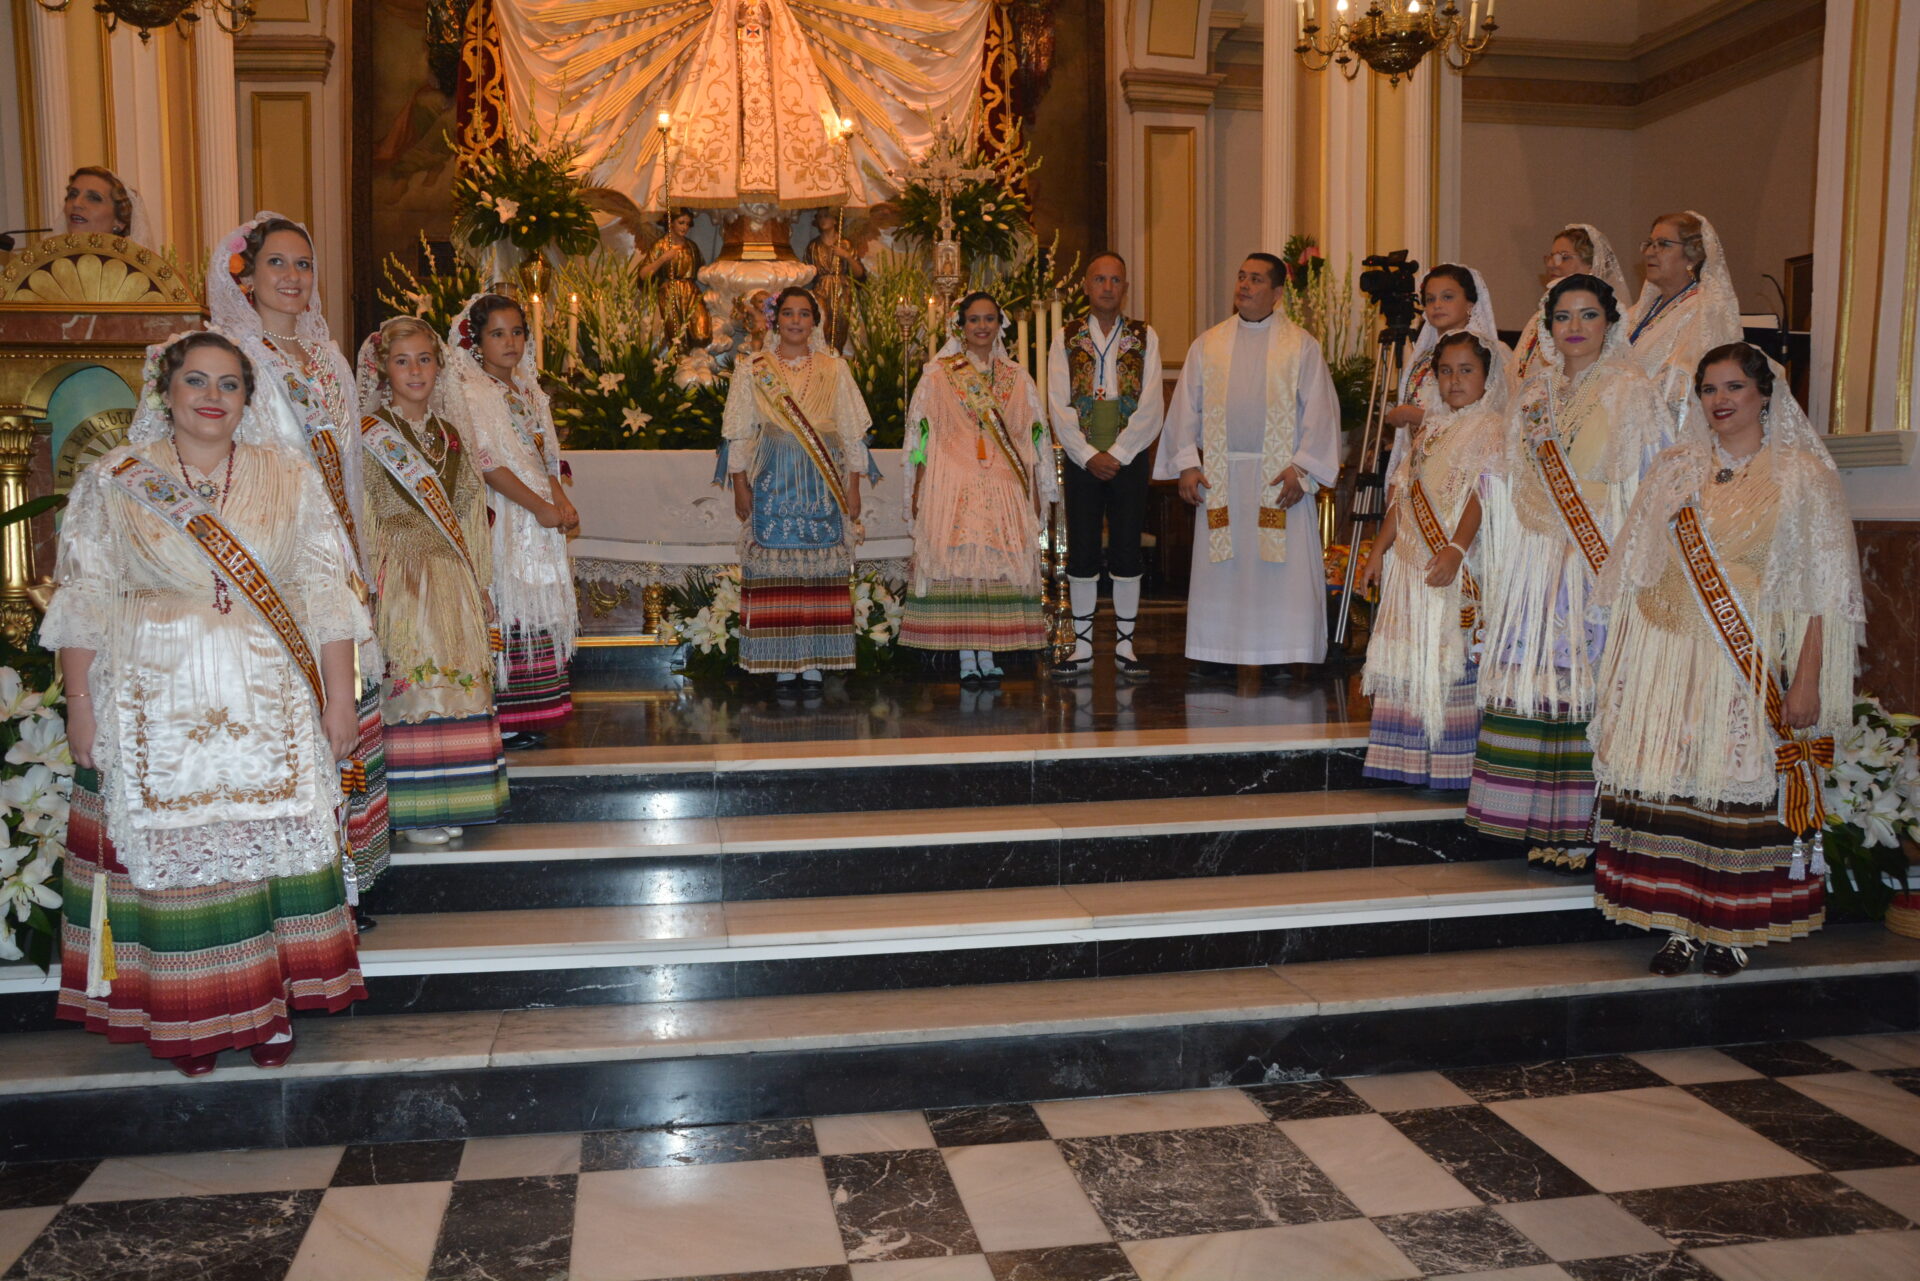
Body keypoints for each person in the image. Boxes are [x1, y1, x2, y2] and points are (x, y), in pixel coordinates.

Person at [45, 330, 369, 1076]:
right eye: (195, 380)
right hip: (150, 699)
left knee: (266, 860)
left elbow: (326, 590)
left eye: (229, 384)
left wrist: (340, 698)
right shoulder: (114, 479)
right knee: (176, 866)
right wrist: (80, 703)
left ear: (249, 399)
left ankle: (267, 1012)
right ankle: (188, 1017)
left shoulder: (287, 475)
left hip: (269, 696)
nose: (212, 397)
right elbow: (85, 595)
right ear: (165, 390)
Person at [1590, 343, 1861, 977]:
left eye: (1734, 386)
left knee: (1734, 787)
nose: (1720, 400)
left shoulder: (1804, 476)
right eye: (1709, 389)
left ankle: (1730, 927)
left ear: (1766, 394)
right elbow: (1635, 565)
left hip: (1749, 661)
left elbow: (1825, 591)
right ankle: (1676, 924)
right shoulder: (1675, 469)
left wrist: (1808, 677)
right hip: (1670, 657)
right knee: (1675, 784)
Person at [209, 212, 389, 908]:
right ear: (246, 276)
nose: (292, 277)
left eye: (303, 264)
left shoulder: (328, 359)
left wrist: (358, 559)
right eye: (276, 264)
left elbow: (351, 473)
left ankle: (348, 880)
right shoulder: (229, 354)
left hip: (333, 558)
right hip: (270, 561)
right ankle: (298, 886)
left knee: (343, 712)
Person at [1468, 274, 1668, 874]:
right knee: (1534, 679)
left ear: (1611, 322)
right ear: (1548, 326)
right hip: (1534, 558)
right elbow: (1508, 475)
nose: (1574, 327)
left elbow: (1654, 482)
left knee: (1588, 680)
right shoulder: (1534, 394)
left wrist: (1628, 563)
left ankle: (1586, 829)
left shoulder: (1631, 391)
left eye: (1588, 315)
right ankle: (1528, 820)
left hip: (1596, 556)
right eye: (1562, 317)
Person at [354, 316, 508, 845]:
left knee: (459, 681)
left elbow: (469, 513)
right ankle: (416, 808)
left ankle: (456, 796)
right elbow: (365, 512)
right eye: (402, 361)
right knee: (413, 685)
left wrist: (480, 583)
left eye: (424, 359)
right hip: (401, 578)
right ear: (383, 369)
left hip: (453, 577)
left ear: (439, 366)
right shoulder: (370, 434)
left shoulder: (451, 436)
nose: (415, 370)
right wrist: (368, 585)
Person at [1153, 253, 1341, 678]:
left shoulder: (1301, 346)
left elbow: (1321, 412)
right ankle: (1216, 651)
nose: (1244, 285)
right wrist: (1187, 464)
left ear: (1277, 293)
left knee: (1278, 572)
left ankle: (1280, 654)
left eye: (1256, 279)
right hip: (1221, 477)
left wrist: (1302, 469)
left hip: (1279, 478)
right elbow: (1185, 407)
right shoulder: (1209, 344)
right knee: (1224, 569)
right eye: (1241, 276)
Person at [1358, 331, 1509, 789]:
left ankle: (1451, 765)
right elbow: (1404, 495)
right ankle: (1406, 760)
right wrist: (1377, 550)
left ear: (1487, 376)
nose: (1454, 380)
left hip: (1453, 559)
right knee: (1410, 653)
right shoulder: (1430, 429)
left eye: (1466, 370)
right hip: (1409, 561)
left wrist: (1456, 548)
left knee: (1446, 652)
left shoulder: (1492, 428)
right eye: (1445, 371)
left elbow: (1482, 493)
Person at [444, 294, 580, 746]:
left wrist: (559, 499)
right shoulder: (472, 392)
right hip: (502, 511)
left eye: (517, 332)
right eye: (497, 334)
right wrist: (536, 505)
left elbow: (545, 456)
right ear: (476, 341)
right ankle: (504, 716)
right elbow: (485, 461)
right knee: (508, 601)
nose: (510, 343)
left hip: (536, 511)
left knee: (536, 604)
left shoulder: (528, 390)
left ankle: (533, 710)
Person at [901, 291, 1056, 682]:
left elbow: (1031, 436)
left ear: (999, 325)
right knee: (962, 567)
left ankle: (988, 651)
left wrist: (1036, 490)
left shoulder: (1017, 377)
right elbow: (921, 434)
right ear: (961, 326)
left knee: (992, 569)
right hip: (953, 485)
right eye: (974, 319)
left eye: (989, 319)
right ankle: (966, 656)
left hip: (1002, 486)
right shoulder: (938, 375)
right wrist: (919, 481)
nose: (982, 326)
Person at [723, 286, 872, 690]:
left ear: (814, 322)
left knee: (820, 565)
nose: (795, 321)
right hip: (773, 473)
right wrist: (739, 484)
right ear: (776, 319)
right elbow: (739, 431)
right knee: (777, 564)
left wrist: (853, 486)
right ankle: (781, 660)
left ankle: (817, 659)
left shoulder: (834, 368)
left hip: (823, 479)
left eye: (804, 314)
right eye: (788, 313)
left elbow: (851, 432)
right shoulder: (753, 368)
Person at [1046, 252, 1165, 681]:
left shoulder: (1144, 337)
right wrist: (1087, 454)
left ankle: (1125, 645)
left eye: (1116, 280)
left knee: (1126, 547)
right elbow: (1057, 404)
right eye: (1100, 279)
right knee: (1082, 547)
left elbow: (1152, 404)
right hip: (1083, 458)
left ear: (1125, 288)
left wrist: (1119, 452)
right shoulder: (1066, 337)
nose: (1108, 287)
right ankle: (1081, 647)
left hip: (1127, 458)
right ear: (1086, 286)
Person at [1381, 264, 1515, 494]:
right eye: (1430, 299)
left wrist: (1416, 416)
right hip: (1422, 463)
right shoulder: (1423, 357)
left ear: (1470, 304)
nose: (1437, 305)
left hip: (1466, 468)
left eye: (1447, 297)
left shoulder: (1493, 352)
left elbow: (1498, 414)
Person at [1625, 211, 1742, 427]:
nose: (1650, 253)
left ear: (1693, 254)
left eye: (1663, 244)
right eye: (1650, 244)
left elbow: (1690, 382)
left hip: (1665, 429)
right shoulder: (1637, 312)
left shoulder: (1705, 312)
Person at [1513, 224, 1630, 381]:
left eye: (1564, 257)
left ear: (1592, 263)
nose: (1552, 264)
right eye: (1551, 257)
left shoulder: (1609, 316)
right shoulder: (1539, 315)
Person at [641, 208, 712, 350]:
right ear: (671, 223)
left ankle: (696, 356)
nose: (685, 227)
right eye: (681, 222)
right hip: (670, 292)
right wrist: (663, 259)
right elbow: (643, 274)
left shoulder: (691, 246)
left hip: (691, 292)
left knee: (701, 333)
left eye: (688, 224)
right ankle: (681, 360)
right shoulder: (661, 245)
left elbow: (701, 270)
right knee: (677, 338)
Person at [804, 209, 867, 351]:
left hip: (841, 290)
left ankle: (837, 353)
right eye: (820, 216)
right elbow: (808, 272)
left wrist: (846, 256)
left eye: (826, 216)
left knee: (840, 324)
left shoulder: (845, 244)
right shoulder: (813, 246)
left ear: (835, 220)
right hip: (821, 290)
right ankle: (822, 354)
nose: (823, 220)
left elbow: (859, 274)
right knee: (822, 323)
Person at [58, 166, 148, 242]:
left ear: (119, 220)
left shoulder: (130, 259)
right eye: (72, 195)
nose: (76, 203)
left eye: (93, 198)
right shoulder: (51, 257)